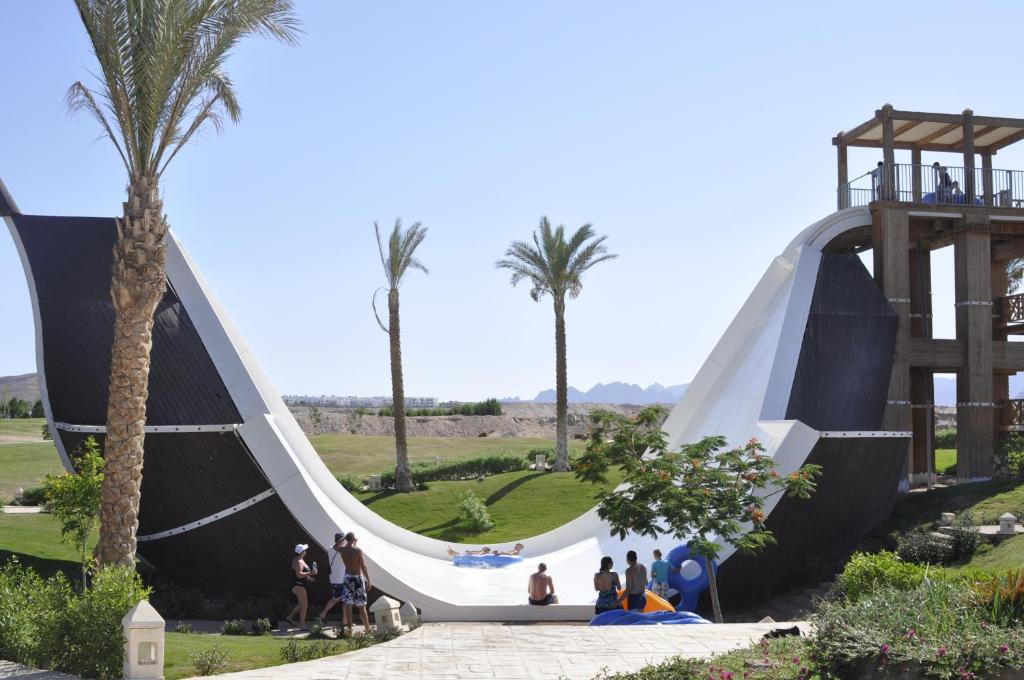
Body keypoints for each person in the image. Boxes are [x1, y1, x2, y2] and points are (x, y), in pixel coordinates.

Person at [339, 532, 372, 633]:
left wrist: (346, 540)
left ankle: (350, 630)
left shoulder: (342, 550)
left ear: (346, 539)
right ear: (353, 539)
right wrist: (368, 580)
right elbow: (363, 566)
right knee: (361, 605)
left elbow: (336, 546)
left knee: (349, 604)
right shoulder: (357, 550)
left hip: (348, 577)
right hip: (357, 578)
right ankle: (367, 628)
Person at [318, 532, 349, 624]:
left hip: (333, 579)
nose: (345, 541)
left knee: (335, 599)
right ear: (341, 540)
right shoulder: (342, 550)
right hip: (341, 579)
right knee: (345, 600)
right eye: (344, 540)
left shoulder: (330, 549)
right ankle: (345, 620)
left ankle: (323, 614)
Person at [286, 543, 317, 629]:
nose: (306, 551)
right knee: (304, 606)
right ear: (302, 552)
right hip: (299, 586)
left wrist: (309, 578)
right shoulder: (299, 561)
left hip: (299, 585)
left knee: (301, 604)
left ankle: (289, 617)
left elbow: (301, 573)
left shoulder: (299, 559)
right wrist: (311, 573)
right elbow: (299, 574)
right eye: (305, 550)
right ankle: (302, 625)